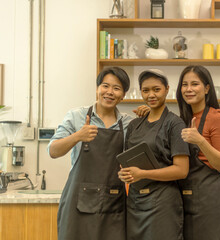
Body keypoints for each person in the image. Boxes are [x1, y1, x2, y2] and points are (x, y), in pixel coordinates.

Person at [48, 67, 148, 240]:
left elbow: (145, 153)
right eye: (105, 86)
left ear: (123, 95)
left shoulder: (129, 123)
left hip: (113, 203)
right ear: (97, 88)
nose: (109, 92)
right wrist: (77, 136)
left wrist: (149, 114)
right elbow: (53, 151)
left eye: (116, 88)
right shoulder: (76, 116)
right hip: (77, 204)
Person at [118, 69, 189, 240]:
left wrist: (142, 174)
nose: (151, 95)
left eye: (156, 89)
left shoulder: (175, 123)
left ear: (166, 89)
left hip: (163, 203)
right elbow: (127, 160)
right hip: (135, 202)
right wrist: (125, 173)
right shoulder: (135, 124)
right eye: (146, 90)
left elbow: (181, 170)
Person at [176, 65, 220, 240]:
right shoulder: (181, 119)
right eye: (185, 85)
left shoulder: (217, 118)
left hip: (209, 201)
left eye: (195, 84)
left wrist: (200, 140)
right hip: (185, 198)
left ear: (207, 88)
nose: (189, 89)